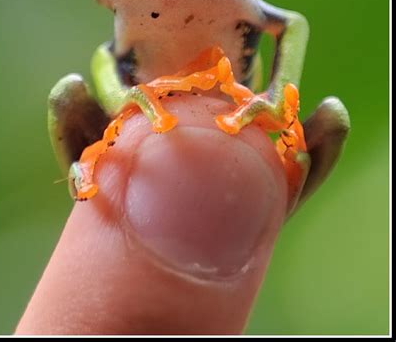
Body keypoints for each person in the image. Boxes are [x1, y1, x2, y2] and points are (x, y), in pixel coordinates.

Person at [15, 94, 288, 335]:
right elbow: (106, 61)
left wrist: (275, 103)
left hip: (232, 107)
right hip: (126, 130)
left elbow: (290, 32)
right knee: (65, 95)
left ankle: (283, 195)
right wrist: (126, 97)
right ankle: (85, 168)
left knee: (331, 118)